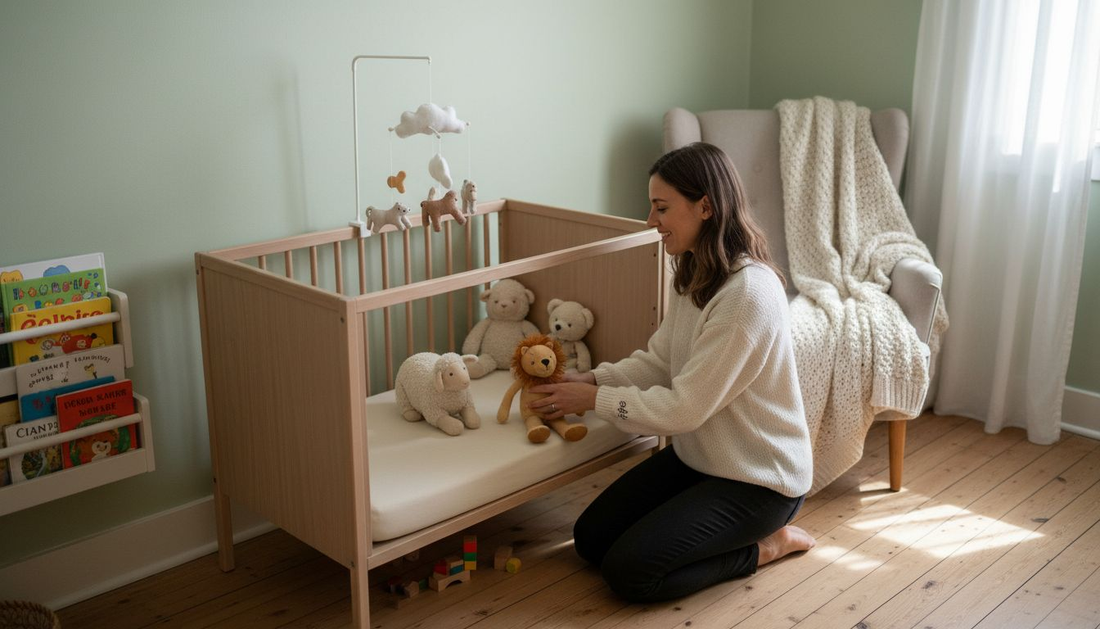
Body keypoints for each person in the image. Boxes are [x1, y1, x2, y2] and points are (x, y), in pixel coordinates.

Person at [529, 142, 815, 603]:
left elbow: (685, 407)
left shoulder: (747, 296)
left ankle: (764, 548)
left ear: (705, 206)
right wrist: (593, 380)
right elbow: (659, 361)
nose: (649, 221)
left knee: (631, 574)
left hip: (758, 478)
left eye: (661, 208)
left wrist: (593, 402)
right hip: (701, 458)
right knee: (591, 540)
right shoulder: (696, 272)